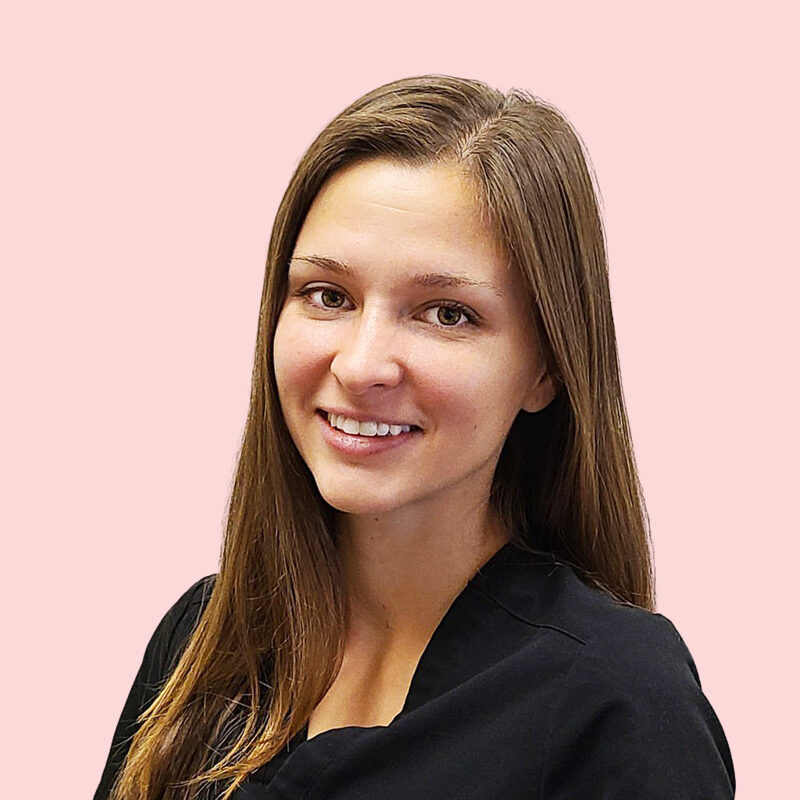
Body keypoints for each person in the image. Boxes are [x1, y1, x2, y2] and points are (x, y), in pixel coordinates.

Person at [94, 75, 736, 800]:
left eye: (446, 314)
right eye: (328, 296)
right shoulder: (204, 643)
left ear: (546, 370)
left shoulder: (617, 701)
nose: (362, 364)